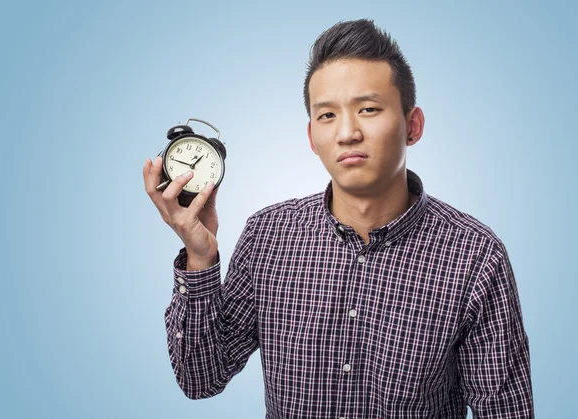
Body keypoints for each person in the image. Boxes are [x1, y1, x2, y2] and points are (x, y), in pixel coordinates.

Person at [143, 18, 534, 419]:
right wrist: (200, 257)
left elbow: (505, 411)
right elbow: (200, 378)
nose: (347, 133)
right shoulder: (268, 236)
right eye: (327, 115)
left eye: (368, 109)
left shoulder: (476, 256)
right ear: (312, 137)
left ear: (412, 125)